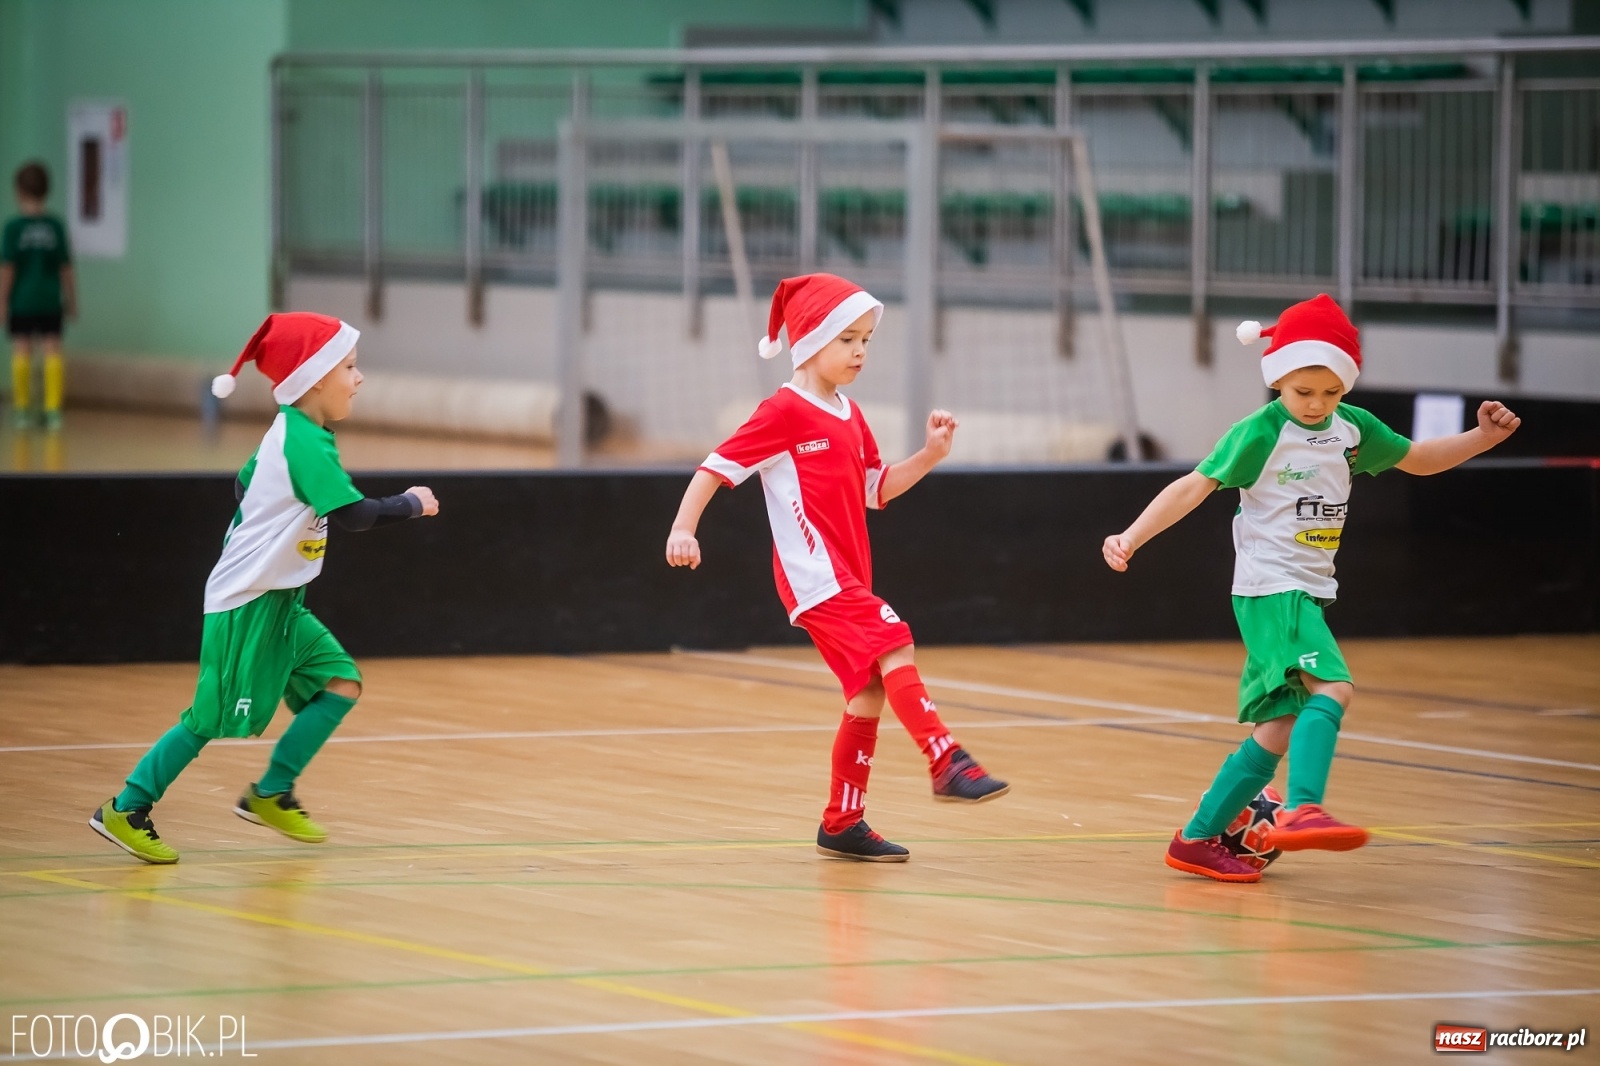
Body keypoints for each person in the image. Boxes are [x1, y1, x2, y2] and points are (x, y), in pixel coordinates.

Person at [1102, 293, 1520, 882]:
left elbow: (1420, 459)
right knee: (1336, 687)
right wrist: (1132, 535)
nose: (1318, 403)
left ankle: (1195, 838)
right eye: (1304, 392)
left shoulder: (1351, 428)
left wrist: (1480, 439)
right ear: (1278, 380)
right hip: (1274, 589)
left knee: (1276, 729)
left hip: (1305, 589)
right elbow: (1194, 486)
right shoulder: (1260, 431)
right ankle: (1301, 809)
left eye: (1331, 391)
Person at [666, 273, 1009, 864]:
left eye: (867, 341)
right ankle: (944, 758)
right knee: (894, 640)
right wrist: (682, 527)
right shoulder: (781, 412)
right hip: (814, 578)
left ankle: (842, 822)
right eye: (846, 338)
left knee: (869, 691)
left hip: (848, 575)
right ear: (810, 340)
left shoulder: (850, 413)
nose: (859, 352)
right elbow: (715, 469)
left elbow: (878, 488)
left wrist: (929, 456)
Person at [90, 313, 440, 864]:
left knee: (341, 682)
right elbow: (354, 515)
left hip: (282, 599)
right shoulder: (304, 441)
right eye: (350, 366)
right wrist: (411, 504)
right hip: (248, 602)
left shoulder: (292, 431)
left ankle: (272, 793)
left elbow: (242, 482)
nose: (359, 377)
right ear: (315, 378)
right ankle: (127, 807)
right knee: (207, 720)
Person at [1, 161, 75, 429]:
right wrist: (72, 300)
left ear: (18, 191)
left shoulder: (13, 228)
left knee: (22, 350)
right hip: (49, 300)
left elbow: (7, 269)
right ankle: (53, 409)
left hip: (22, 301)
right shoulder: (55, 226)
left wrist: (2, 301)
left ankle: (22, 410)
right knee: (52, 350)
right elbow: (66, 268)